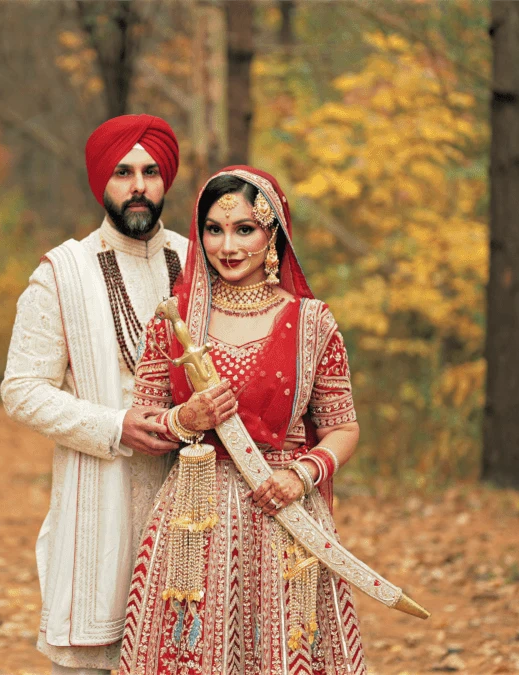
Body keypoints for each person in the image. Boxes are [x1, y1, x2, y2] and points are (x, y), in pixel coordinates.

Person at [119, 167, 368, 675]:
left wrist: (301, 476)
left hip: (285, 514)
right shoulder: (174, 321)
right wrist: (186, 418)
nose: (227, 245)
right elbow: (144, 422)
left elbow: (343, 426)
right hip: (194, 522)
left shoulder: (313, 322)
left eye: (244, 229)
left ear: (271, 232)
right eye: (213, 229)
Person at [1, 114, 193, 675]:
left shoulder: (201, 262)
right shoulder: (63, 272)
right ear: (101, 182)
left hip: (193, 500)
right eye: (123, 172)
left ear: (165, 181)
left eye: (151, 172)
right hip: (99, 498)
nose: (138, 186)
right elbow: (21, 390)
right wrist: (115, 426)